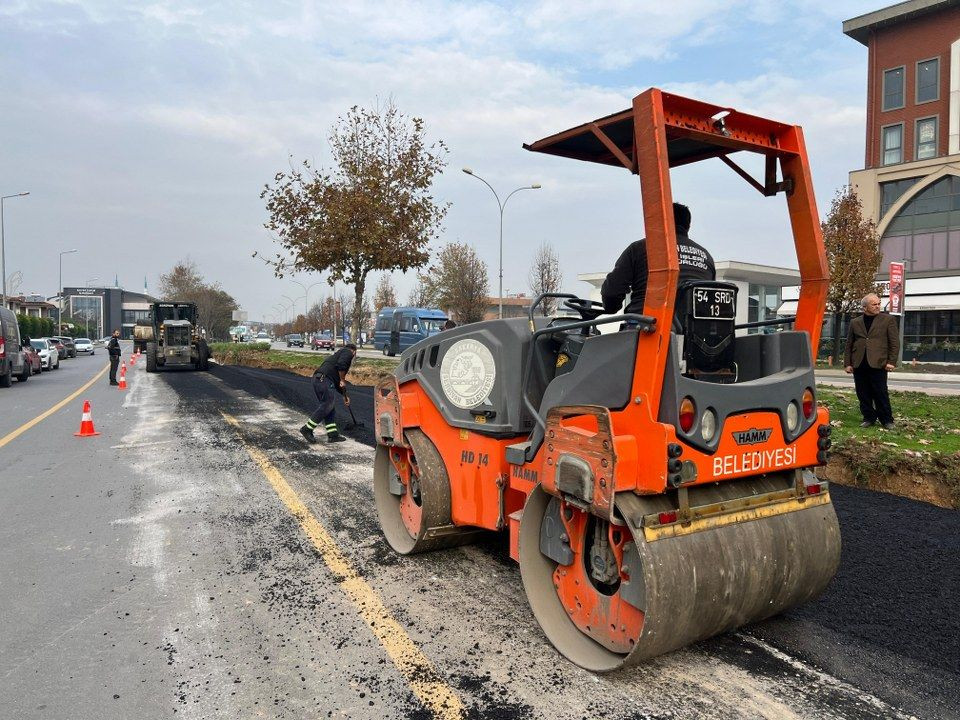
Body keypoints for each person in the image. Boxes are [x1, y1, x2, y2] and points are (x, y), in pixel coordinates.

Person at [601, 202, 716, 323]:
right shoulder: (706, 256)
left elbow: (611, 294)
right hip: (694, 334)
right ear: (688, 226)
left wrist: (611, 307)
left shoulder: (639, 248)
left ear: (658, 221)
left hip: (647, 328)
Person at [845, 293, 899, 429]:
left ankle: (887, 420)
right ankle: (868, 417)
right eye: (874, 304)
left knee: (880, 392)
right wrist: (847, 363)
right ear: (865, 307)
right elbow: (849, 344)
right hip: (859, 363)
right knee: (862, 393)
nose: (877, 306)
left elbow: (894, 342)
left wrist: (891, 361)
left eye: (878, 303)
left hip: (879, 363)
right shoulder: (855, 322)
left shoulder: (888, 320)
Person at [301, 342, 357, 444]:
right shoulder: (347, 352)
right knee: (327, 405)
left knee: (330, 408)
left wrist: (345, 396)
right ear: (354, 352)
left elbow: (337, 383)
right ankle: (307, 429)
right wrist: (343, 379)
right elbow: (341, 366)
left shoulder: (336, 356)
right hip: (324, 380)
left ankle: (333, 435)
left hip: (319, 380)